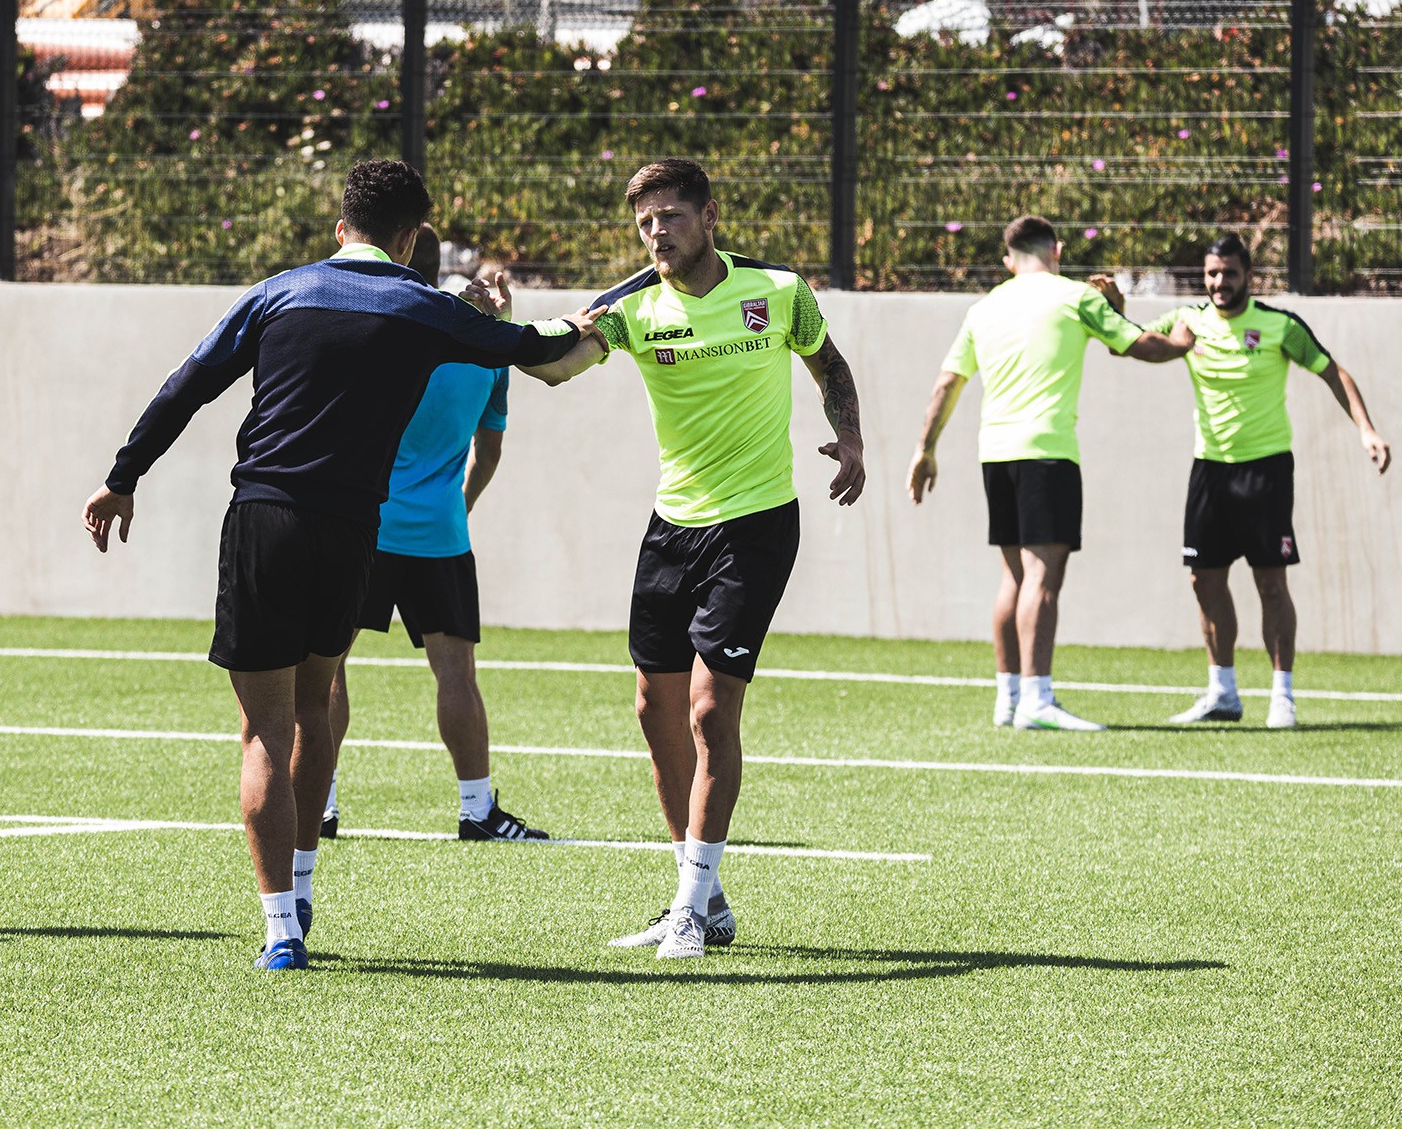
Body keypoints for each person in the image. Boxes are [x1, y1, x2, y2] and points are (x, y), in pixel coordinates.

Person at [80, 161, 602, 971]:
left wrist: (123, 477)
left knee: (263, 727)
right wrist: (581, 323)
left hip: (267, 520)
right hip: (354, 530)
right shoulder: (427, 307)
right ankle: (302, 887)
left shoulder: (278, 293)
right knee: (314, 707)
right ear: (410, 239)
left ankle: (280, 928)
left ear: (339, 227)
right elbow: (531, 347)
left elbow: (187, 385)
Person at [500, 157, 865, 961]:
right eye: (644, 223)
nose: (656, 233)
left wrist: (852, 438)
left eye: (669, 216)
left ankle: (689, 911)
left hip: (756, 523)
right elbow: (556, 368)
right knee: (652, 706)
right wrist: (506, 331)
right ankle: (704, 897)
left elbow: (829, 363)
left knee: (709, 710)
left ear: (710, 216)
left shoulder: (779, 290)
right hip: (671, 527)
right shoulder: (632, 308)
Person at [905, 214, 1193, 732]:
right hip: (1047, 453)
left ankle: (1009, 698)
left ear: (1007, 260)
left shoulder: (984, 308)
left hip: (995, 454)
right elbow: (1137, 344)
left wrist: (925, 449)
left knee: (1014, 576)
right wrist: (1181, 344)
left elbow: (946, 383)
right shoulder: (1076, 297)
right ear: (1057, 250)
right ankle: (1037, 699)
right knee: (1042, 578)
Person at [324, 236, 548, 843]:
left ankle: (320, 804)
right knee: (456, 673)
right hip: (440, 533)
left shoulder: (382, 334)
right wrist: (459, 506)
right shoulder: (487, 349)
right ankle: (477, 810)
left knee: (326, 667)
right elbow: (489, 450)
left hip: (365, 525)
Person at [1147, 235, 1390, 728]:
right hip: (1209, 471)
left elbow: (1333, 372)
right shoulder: (1188, 320)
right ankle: (1223, 693)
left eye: (1229, 273)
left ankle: (1282, 697)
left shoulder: (1280, 326)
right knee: (1203, 580)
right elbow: (1136, 344)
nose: (1219, 282)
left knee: (1271, 584)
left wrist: (1366, 429)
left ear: (1248, 276)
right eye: (1212, 273)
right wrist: (1116, 311)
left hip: (1266, 472)